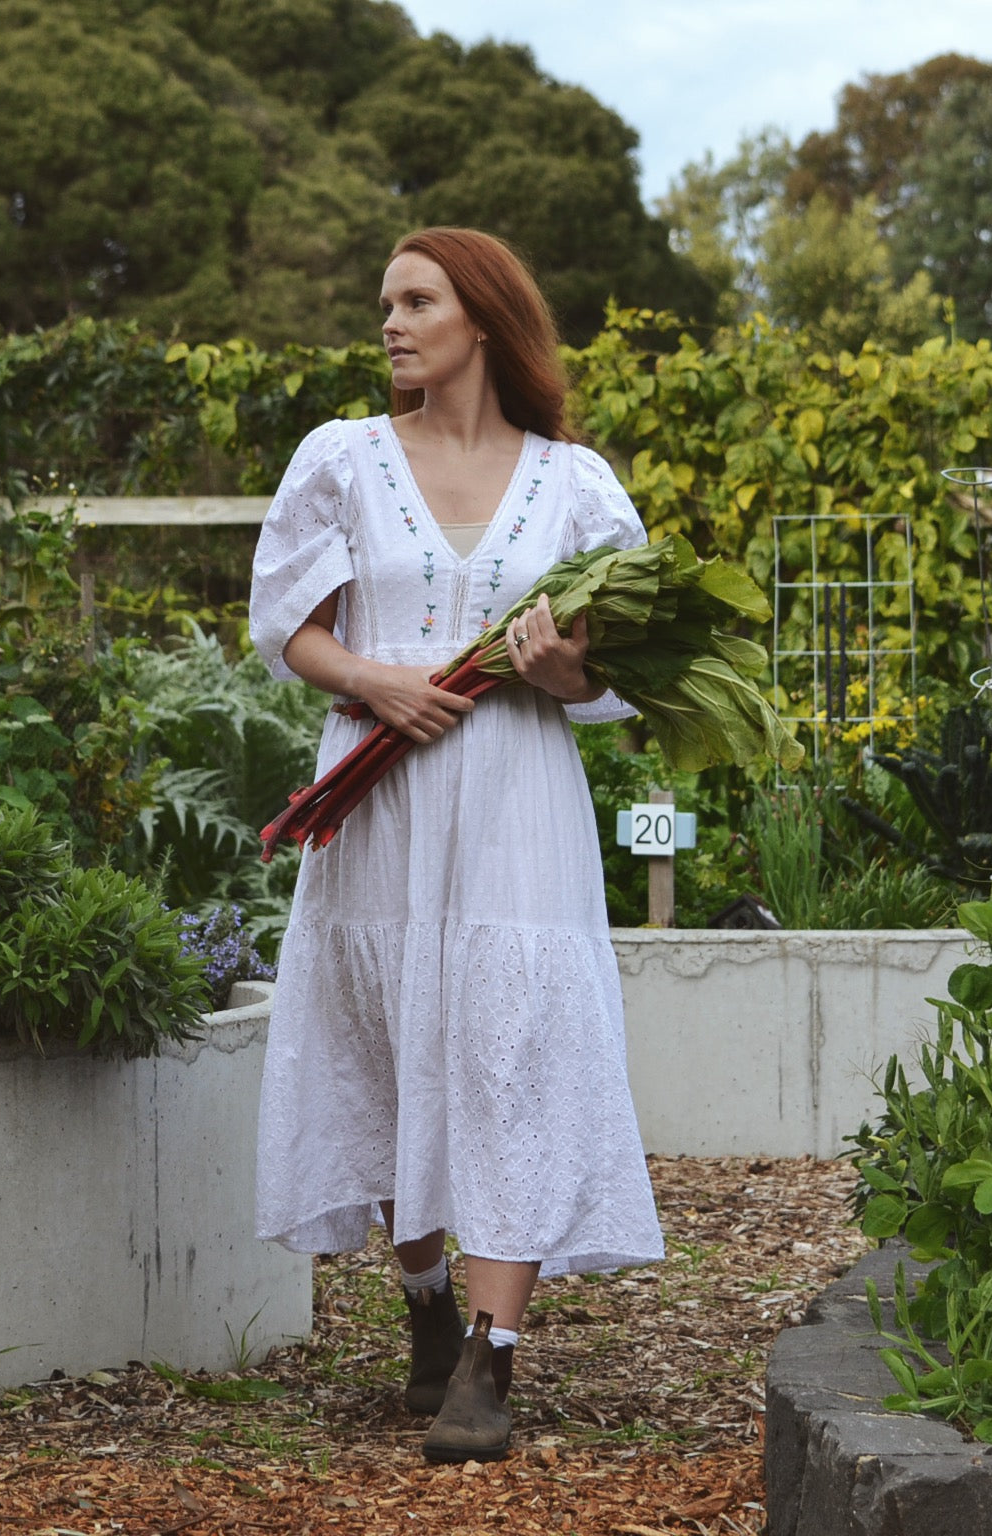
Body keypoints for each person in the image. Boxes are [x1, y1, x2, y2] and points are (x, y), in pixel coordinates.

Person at [248, 227, 663, 1463]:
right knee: (386, 1038)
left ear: (481, 316)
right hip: (380, 798)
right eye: (384, 302)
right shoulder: (344, 460)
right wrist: (378, 682)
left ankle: (493, 1354)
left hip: (518, 798)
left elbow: (625, 681)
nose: (390, 321)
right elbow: (286, 625)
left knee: (513, 1046)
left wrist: (567, 667)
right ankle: (425, 1303)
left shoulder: (577, 486)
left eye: (416, 300)